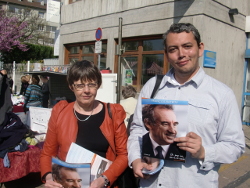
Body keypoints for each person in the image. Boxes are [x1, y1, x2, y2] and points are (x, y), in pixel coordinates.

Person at [128, 23, 245, 188]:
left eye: (187, 46)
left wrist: (204, 151)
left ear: (200, 48)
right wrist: (135, 159)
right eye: (173, 49)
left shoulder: (222, 94)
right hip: (151, 182)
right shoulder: (153, 86)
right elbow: (138, 129)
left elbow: (235, 146)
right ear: (167, 54)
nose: (181, 54)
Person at [40, 60, 128, 188]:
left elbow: (123, 155)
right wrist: (48, 176)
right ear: (71, 86)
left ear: (98, 85)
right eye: (80, 85)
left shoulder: (113, 113)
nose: (86, 90)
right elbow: (47, 153)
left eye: (91, 84)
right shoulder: (60, 112)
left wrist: (104, 179)